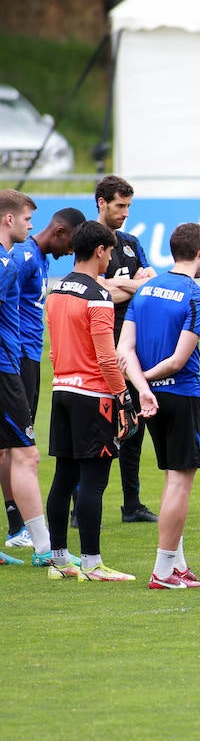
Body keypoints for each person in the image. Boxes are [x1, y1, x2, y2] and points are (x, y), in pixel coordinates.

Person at [44, 219, 152, 581]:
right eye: (109, 252)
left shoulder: (57, 289)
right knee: (93, 480)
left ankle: (59, 561)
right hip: (94, 395)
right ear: (101, 251)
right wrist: (122, 395)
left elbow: (54, 350)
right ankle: (92, 563)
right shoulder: (97, 295)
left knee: (63, 477)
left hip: (62, 390)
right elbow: (107, 357)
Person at [118, 223, 200, 588]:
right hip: (182, 395)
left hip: (151, 400)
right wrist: (152, 382)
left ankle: (177, 564)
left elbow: (122, 350)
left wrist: (142, 387)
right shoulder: (197, 297)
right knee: (179, 483)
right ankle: (161, 571)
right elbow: (177, 360)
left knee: (171, 478)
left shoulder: (145, 291)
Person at [3, 204, 81, 550]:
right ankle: (24, 530)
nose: (71, 252)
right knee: (21, 448)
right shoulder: (22, 257)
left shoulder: (37, 257)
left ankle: (23, 529)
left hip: (23, 357)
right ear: (61, 232)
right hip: (15, 359)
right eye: (72, 244)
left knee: (14, 446)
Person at [93, 176, 159, 524]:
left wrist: (119, 284)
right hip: (99, 346)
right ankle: (82, 504)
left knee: (133, 423)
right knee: (98, 425)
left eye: (129, 206)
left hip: (131, 347)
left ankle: (131, 504)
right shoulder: (88, 239)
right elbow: (96, 291)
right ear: (102, 203)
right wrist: (131, 285)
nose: (125, 213)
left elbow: (150, 287)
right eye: (120, 206)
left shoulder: (131, 243)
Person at [0, 190, 49, 568]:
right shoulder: (6, 264)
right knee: (26, 455)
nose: (32, 227)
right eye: (28, 219)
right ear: (9, 219)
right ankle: (44, 550)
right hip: (4, 369)